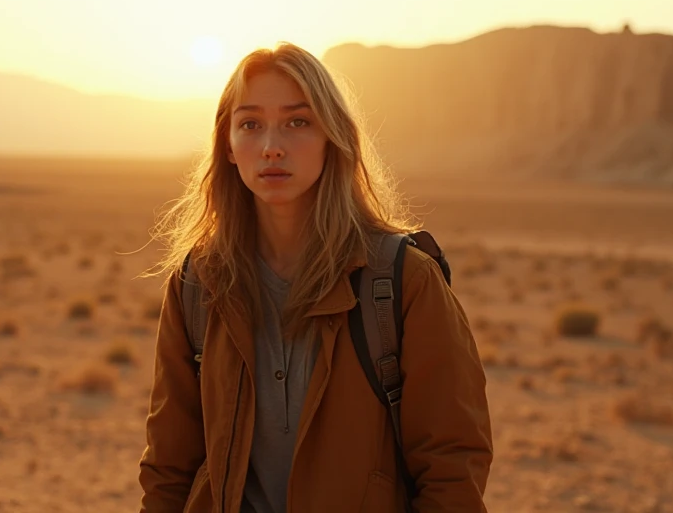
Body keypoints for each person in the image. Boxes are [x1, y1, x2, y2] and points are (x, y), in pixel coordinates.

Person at [138, 42, 492, 512]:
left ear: (334, 135)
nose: (272, 146)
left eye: (298, 121)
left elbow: (451, 463)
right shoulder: (197, 285)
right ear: (228, 145)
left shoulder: (401, 280)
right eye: (250, 124)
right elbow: (169, 466)